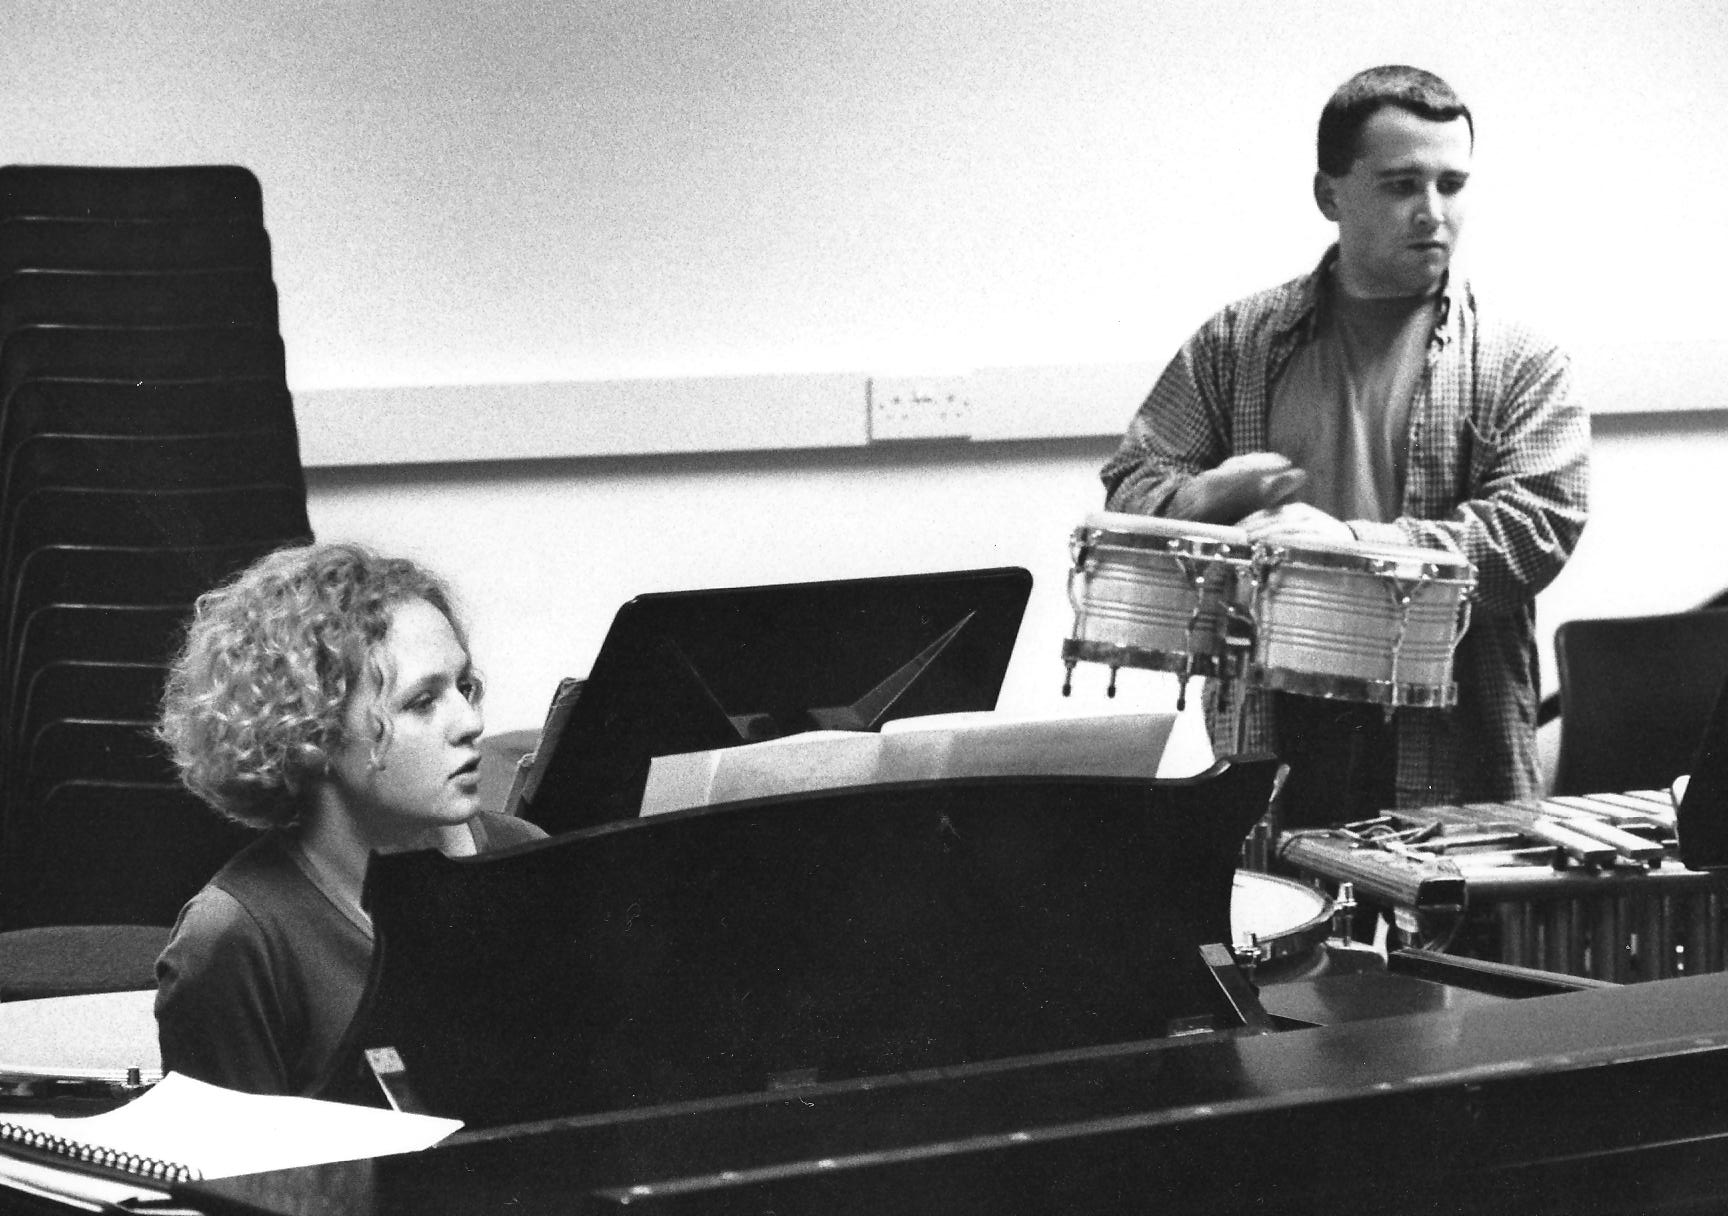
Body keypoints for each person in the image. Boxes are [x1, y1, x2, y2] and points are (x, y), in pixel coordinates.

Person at [1100, 65, 1589, 828]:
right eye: (1401, 185)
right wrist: (1197, 498)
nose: (1433, 212)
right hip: (1278, 722)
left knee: (1442, 910)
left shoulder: (1520, 360)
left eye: (1452, 185)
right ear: (1329, 196)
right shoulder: (1238, 342)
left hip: (1450, 733)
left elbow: (1534, 533)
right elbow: (1132, 481)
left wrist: (1353, 549)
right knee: (1278, 903)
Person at [154, 541, 546, 1100]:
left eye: (464, 687)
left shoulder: (528, 854)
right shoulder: (234, 938)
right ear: (310, 735)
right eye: (422, 701)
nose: (470, 721)